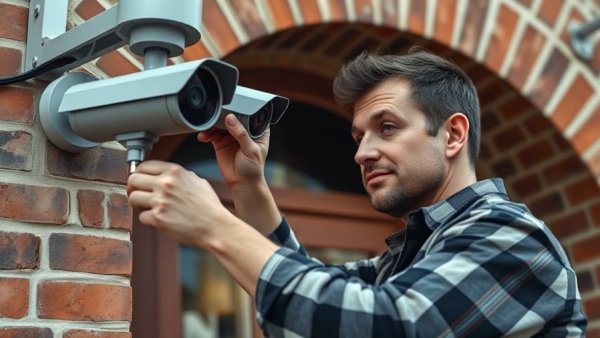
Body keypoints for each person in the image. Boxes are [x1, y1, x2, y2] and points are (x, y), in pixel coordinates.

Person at [127, 49, 588, 337]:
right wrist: (248, 187)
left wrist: (215, 226)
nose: (363, 153)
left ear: (452, 136)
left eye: (387, 127)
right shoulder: (412, 256)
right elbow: (313, 313)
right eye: (358, 136)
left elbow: (384, 325)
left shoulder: (511, 236)